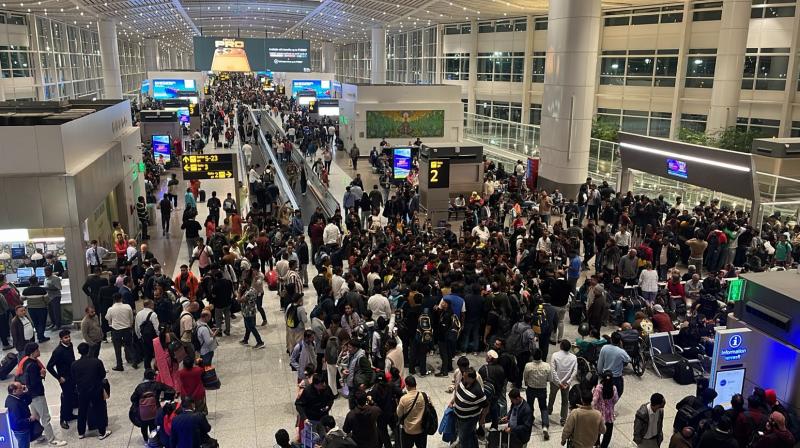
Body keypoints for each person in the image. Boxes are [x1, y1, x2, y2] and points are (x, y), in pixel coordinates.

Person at [18, 342, 68, 445]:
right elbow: (33, 382)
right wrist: (41, 375)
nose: (39, 351)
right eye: (37, 350)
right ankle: (52, 439)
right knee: (45, 417)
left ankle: (37, 435)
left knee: (35, 416)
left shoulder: (26, 362)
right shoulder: (32, 366)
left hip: (30, 395)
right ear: (32, 352)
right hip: (37, 395)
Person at [71, 342, 110, 440]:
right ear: (88, 350)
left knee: (82, 411)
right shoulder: (97, 362)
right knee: (99, 410)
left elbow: (73, 378)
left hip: (82, 391)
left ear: (79, 352)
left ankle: (81, 432)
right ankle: (102, 433)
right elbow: (102, 375)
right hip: (96, 390)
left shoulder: (74, 364)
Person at [130, 368, 175, 443]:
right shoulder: (157, 385)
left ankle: (145, 440)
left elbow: (132, 398)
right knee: (153, 427)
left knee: (143, 427)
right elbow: (171, 390)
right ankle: (153, 441)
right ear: (153, 377)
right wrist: (165, 400)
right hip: (154, 411)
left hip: (143, 413)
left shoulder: (139, 387)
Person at [45, 330, 77, 430]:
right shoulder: (58, 351)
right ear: (61, 339)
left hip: (72, 376)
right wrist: (59, 377)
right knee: (66, 398)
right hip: (65, 378)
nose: (68, 339)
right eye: (66, 338)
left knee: (72, 396)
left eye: (69, 337)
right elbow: (49, 366)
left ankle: (69, 414)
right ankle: (62, 419)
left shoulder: (70, 345)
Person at [451, 368, 487, 448]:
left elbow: (486, 406)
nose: (463, 378)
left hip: (469, 420)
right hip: (460, 417)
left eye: (465, 377)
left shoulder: (477, 391)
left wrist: (482, 419)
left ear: (471, 378)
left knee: (463, 438)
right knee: (470, 435)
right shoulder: (464, 381)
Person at [522, 348, 550, 440]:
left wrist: (527, 383)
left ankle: (530, 421)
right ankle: (545, 426)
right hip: (542, 389)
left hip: (531, 389)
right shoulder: (547, 366)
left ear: (532, 356)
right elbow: (550, 379)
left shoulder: (528, 366)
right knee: (543, 408)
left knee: (530, 406)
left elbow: (525, 377)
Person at [548, 339, 578, 427]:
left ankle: (549, 410)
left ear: (561, 346)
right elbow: (575, 371)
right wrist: (568, 383)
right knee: (565, 401)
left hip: (555, 383)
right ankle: (563, 419)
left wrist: (558, 382)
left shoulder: (555, 355)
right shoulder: (573, 357)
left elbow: (553, 371)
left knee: (552, 396)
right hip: (566, 384)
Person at [105, 292, 137, 371]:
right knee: (129, 346)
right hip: (126, 329)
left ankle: (119, 365)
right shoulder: (127, 307)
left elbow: (107, 318)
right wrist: (130, 325)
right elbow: (131, 318)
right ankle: (135, 361)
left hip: (116, 330)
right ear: (121, 298)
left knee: (117, 348)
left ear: (113, 300)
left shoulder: (111, 309)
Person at [596, 332, 631, 398]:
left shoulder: (604, 348)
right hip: (616, 378)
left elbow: (600, 362)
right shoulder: (621, 352)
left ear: (611, 339)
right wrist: (621, 348)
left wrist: (600, 372)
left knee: (603, 394)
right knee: (617, 394)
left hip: (605, 376)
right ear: (620, 341)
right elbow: (628, 359)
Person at [396, 375, 427, 448]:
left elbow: (399, 414)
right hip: (421, 429)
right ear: (416, 384)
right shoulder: (424, 395)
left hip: (408, 430)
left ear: (406, 386)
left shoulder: (404, 399)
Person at [592, 371, 620, 448]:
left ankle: (596, 443)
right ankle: (603, 446)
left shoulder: (598, 388)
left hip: (599, 414)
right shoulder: (614, 388)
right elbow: (616, 399)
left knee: (597, 431)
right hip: (609, 415)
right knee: (608, 434)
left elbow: (594, 401)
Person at [21, 276, 49, 343]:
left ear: (29, 282)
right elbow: (47, 300)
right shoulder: (42, 290)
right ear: (37, 281)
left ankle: (40, 336)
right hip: (42, 308)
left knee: (36, 323)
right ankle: (41, 337)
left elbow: (22, 299)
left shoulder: (26, 290)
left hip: (31, 309)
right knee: (42, 323)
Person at [135, 299, 160, 370]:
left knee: (147, 356)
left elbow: (136, 328)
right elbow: (157, 328)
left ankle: (148, 371)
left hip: (143, 338)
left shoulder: (138, 314)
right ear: (150, 305)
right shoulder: (153, 314)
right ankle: (157, 370)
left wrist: (139, 337)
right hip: (153, 339)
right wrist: (159, 337)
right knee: (156, 355)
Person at [238, 283, 265, 349]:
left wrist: (238, 292)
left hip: (248, 312)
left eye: (243, 283)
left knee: (252, 327)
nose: (242, 284)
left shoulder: (248, 293)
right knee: (248, 327)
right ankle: (245, 339)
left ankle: (260, 342)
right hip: (251, 310)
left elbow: (240, 300)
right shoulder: (253, 289)